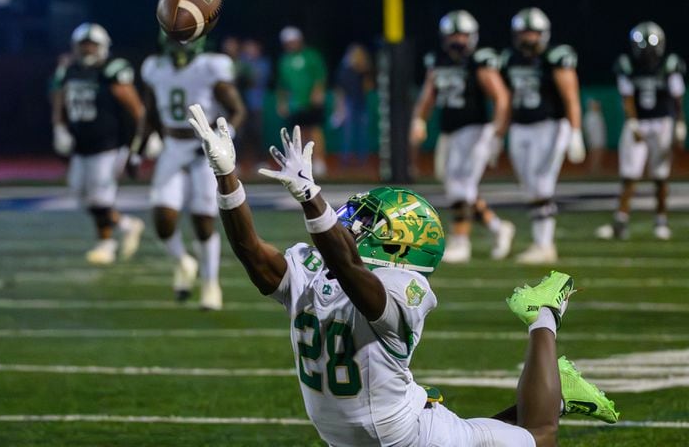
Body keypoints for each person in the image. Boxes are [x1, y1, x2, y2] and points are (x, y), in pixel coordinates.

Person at [188, 104, 618, 446]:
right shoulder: (315, 265)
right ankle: (552, 393)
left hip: (412, 437)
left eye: (367, 219)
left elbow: (352, 273)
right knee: (475, 435)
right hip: (375, 433)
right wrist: (226, 176)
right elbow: (251, 253)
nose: (351, 220)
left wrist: (311, 197)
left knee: (540, 437)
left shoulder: (405, 288)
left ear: (397, 242)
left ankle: (543, 313)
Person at [140, 31, 246, 309]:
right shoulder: (156, 68)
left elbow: (237, 109)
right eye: (175, 39)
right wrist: (136, 149)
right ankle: (183, 262)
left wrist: (222, 138)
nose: (179, 46)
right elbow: (150, 114)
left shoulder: (210, 67)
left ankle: (211, 282)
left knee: (203, 219)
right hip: (172, 145)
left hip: (204, 146)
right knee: (162, 217)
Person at [411, 10, 515, 263]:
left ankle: (461, 241)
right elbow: (429, 93)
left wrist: (497, 132)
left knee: (461, 187)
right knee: (458, 188)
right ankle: (498, 227)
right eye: (453, 35)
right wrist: (419, 119)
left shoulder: (478, 61)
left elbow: (501, 97)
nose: (458, 40)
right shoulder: (438, 60)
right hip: (449, 131)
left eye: (463, 35)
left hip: (474, 129)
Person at [51, 22, 145, 265]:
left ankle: (106, 244)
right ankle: (127, 225)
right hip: (82, 143)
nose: (88, 50)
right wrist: (59, 128)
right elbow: (59, 99)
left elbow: (135, 108)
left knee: (100, 198)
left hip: (109, 143)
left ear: (103, 47)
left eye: (92, 46)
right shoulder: (69, 70)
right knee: (82, 195)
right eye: (84, 46)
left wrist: (142, 140)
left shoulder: (111, 70)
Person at [499, 7, 586, 264]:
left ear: (544, 34)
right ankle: (541, 243)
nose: (529, 38)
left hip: (549, 125)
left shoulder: (555, 57)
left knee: (542, 185)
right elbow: (508, 98)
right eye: (524, 32)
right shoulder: (509, 58)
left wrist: (576, 132)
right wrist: (498, 134)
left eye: (534, 33)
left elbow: (571, 97)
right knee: (528, 187)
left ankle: (544, 245)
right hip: (520, 126)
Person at [596, 22, 686, 240]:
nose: (647, 52)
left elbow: (677, 98)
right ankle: (620, 221)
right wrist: (634, 124)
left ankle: (661, 221)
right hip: (638, 122)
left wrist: (680, 124)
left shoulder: (670, 64)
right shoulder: (627, 64)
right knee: (629, 175)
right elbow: (627, 98)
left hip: (662, 122)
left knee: (661, 176)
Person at [276, 26, 328, 177]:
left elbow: (320, 76)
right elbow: (282, 85)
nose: (291, 44)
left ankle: (319, 161)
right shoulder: (284, 60)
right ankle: (303, 164)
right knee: (298, 134)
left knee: (314, 130)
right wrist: (282, 102)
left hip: (310, 101)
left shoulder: (311, 56)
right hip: (295, 103)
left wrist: (317, 93)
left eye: (293, 41)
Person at [332, 43, 374, 165]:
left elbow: (368, 87)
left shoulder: (365, 71)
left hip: (361, 103)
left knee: (363, 134)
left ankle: (363, 160)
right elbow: (339, 89)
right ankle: (344, 160)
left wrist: (363, 71)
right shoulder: (344, 69)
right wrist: (339, 107)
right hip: (347, 103)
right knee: (347, 134)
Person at [237, 39, 271, 170]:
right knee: (241, 135)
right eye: (247, 48)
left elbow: (256, 79)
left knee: (257, 134)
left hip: (256, 104)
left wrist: (246, 71)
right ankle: (238, 162)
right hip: (241, 105)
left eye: (252, 48)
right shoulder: (241, 62)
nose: (249, 51)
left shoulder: (263, 63)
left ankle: (260, 162)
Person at [582, 98, 607, 174]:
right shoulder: (590, 116)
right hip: (594, 139)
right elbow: (588, 129)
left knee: (599, 152)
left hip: (599, 138)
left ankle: (597, 166)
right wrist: (590, 138)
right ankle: (593, 168)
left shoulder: (598, 114)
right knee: (594, 153)